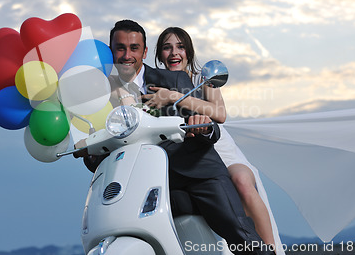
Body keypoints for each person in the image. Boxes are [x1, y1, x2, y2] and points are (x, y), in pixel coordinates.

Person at [102, 19, 273, 255]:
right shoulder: (103, 92)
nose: (127, 54)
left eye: (133, 48)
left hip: (198, 168)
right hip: (149, 179)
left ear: (144, 51)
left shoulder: (178, 81)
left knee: (240, 230)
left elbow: (214, 121)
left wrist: (199, 124)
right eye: (120, 48)